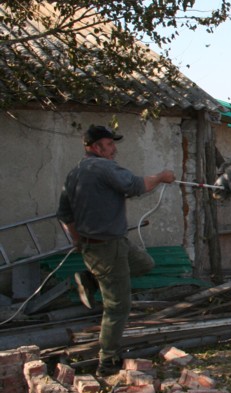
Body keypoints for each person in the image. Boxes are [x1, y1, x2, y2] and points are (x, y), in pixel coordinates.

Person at [57, 124, 175, 376]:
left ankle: (91, 277)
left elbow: (65, 215)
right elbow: (134, 185)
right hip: (107, 248)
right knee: (118, 306)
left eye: (113, 144)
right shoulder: (103, 167)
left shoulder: (74, 173)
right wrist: (161, 176)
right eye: (109, 144)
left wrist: (77, 242)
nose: (114, 149)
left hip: (108, 244)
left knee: (145, 264)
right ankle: (107, 361)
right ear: (94, 147)